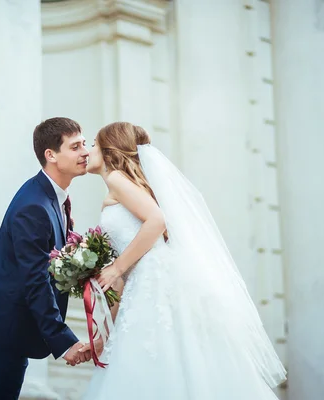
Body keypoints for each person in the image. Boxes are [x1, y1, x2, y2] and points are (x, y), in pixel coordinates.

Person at [81, 122, 287, 399]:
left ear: (109, 150)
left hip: (153, 281)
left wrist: (116, 267)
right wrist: (104, 334)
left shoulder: (117, 179)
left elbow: (155, 221)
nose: (89, 150)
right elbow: (121, 276)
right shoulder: (122, 186)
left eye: (93, 143)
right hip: (142, 283)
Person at [0, 117, 92, 400]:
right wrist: (63, 341)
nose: (85, 152)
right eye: (75, 147)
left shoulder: (52, 197)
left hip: (6, 326)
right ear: (51, 155)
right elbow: (35, 279)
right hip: (2, 330)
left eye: (84, 144)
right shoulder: (34, 206)